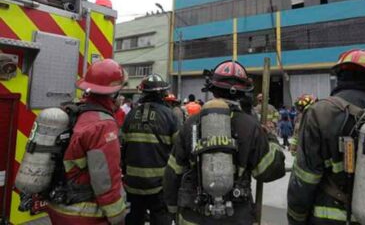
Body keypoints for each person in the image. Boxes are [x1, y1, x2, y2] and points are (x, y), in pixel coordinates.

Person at [287, 49, 365, 224]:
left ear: (339, 76)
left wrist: (295, 218)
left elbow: (305, 178)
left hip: (332, 217)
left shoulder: (321, 112)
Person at [163, 60, 285, 224]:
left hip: (194, 216)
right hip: (236, 217)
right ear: (243, 92)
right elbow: (269, 171)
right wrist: (270, 137)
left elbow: (173, 171)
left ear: (213, 89)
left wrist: (171, 209)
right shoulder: (251, 126)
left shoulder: (191, 123)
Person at [46, 59, 127, 225]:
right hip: (84, 212)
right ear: (114, 93)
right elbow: (105, 178)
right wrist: (117, 216)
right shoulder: (103, 124)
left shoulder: (74, 111)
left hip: (58, 203)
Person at [121, 74, 179, 225]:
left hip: (132, 183)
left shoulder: (130, 115)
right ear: (162, 93)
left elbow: (122, 147)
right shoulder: (170, 116)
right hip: (159, 184)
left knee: (135, 216)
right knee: (160, 216)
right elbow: (179, 151)